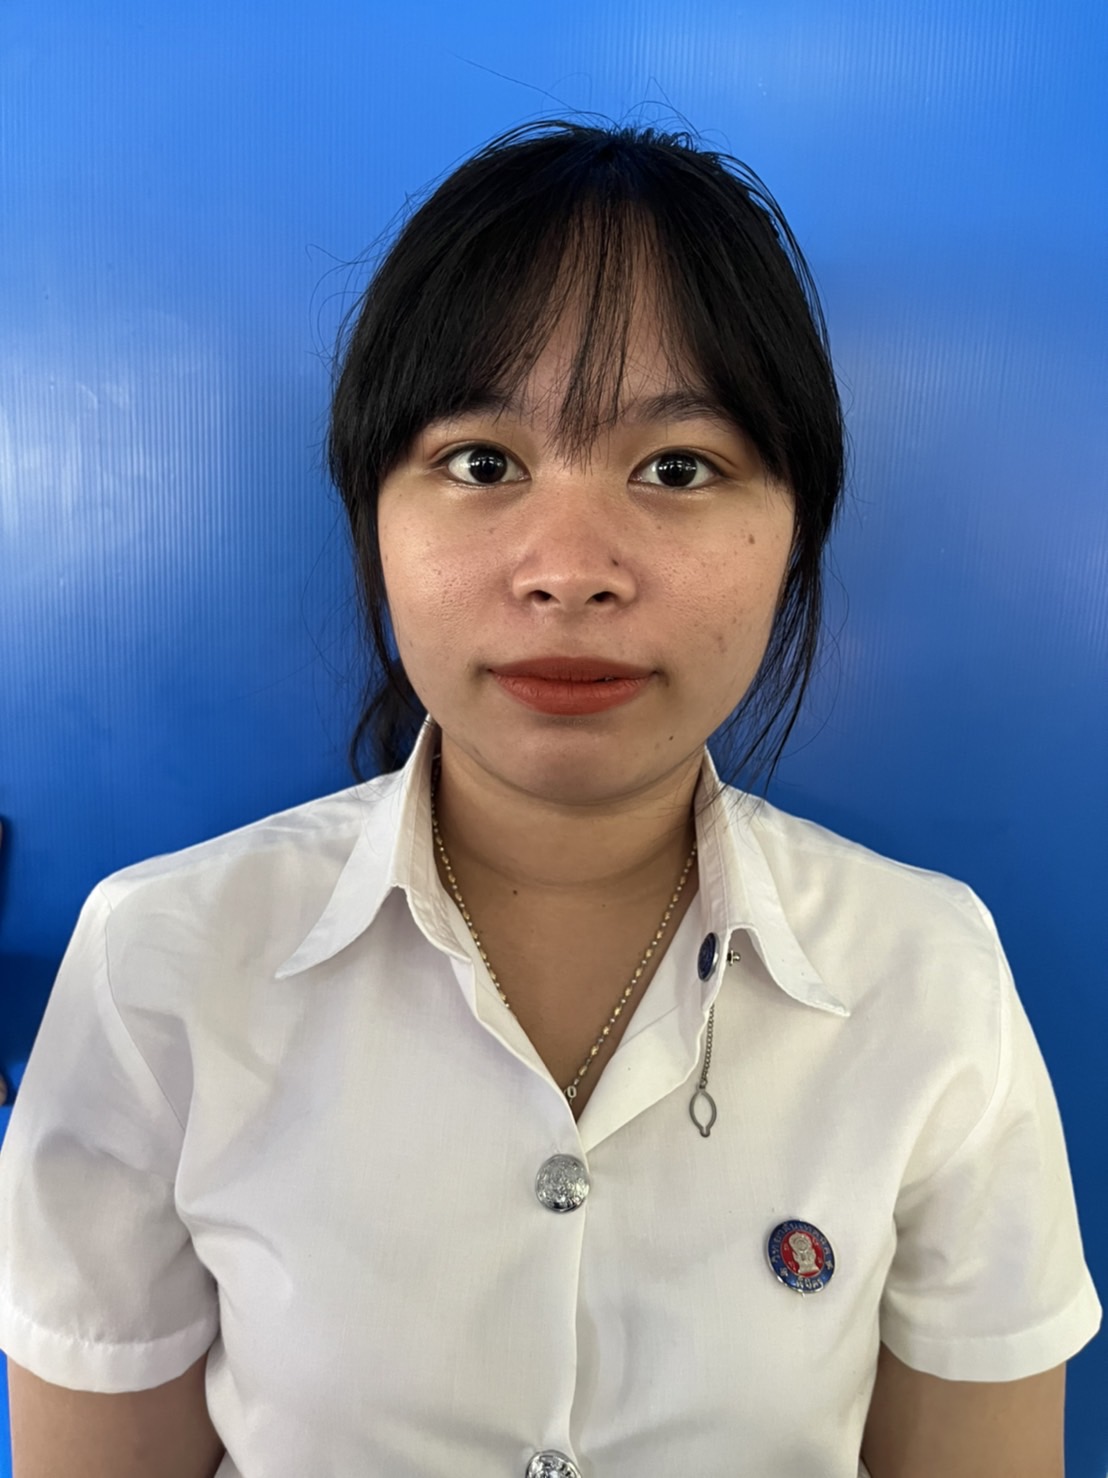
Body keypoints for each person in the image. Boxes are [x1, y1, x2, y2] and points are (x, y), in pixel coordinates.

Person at [0, 118, 1100, 1478]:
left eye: (678, 467)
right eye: (482, 461)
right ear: (374, 519)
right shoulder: (162, 964)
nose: (569, 568)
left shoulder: (926, 976)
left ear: (795, 532)